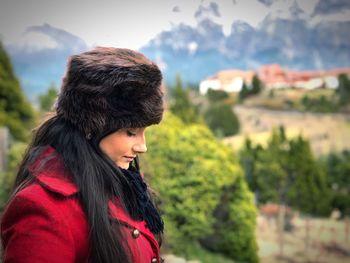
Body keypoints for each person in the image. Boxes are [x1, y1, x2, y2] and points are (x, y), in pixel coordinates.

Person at [0, 47, 165, 263]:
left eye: (145, 132)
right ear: (92, 128)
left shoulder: (124, 181)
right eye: (131, 132)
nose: (142, 146)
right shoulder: (44, 209)